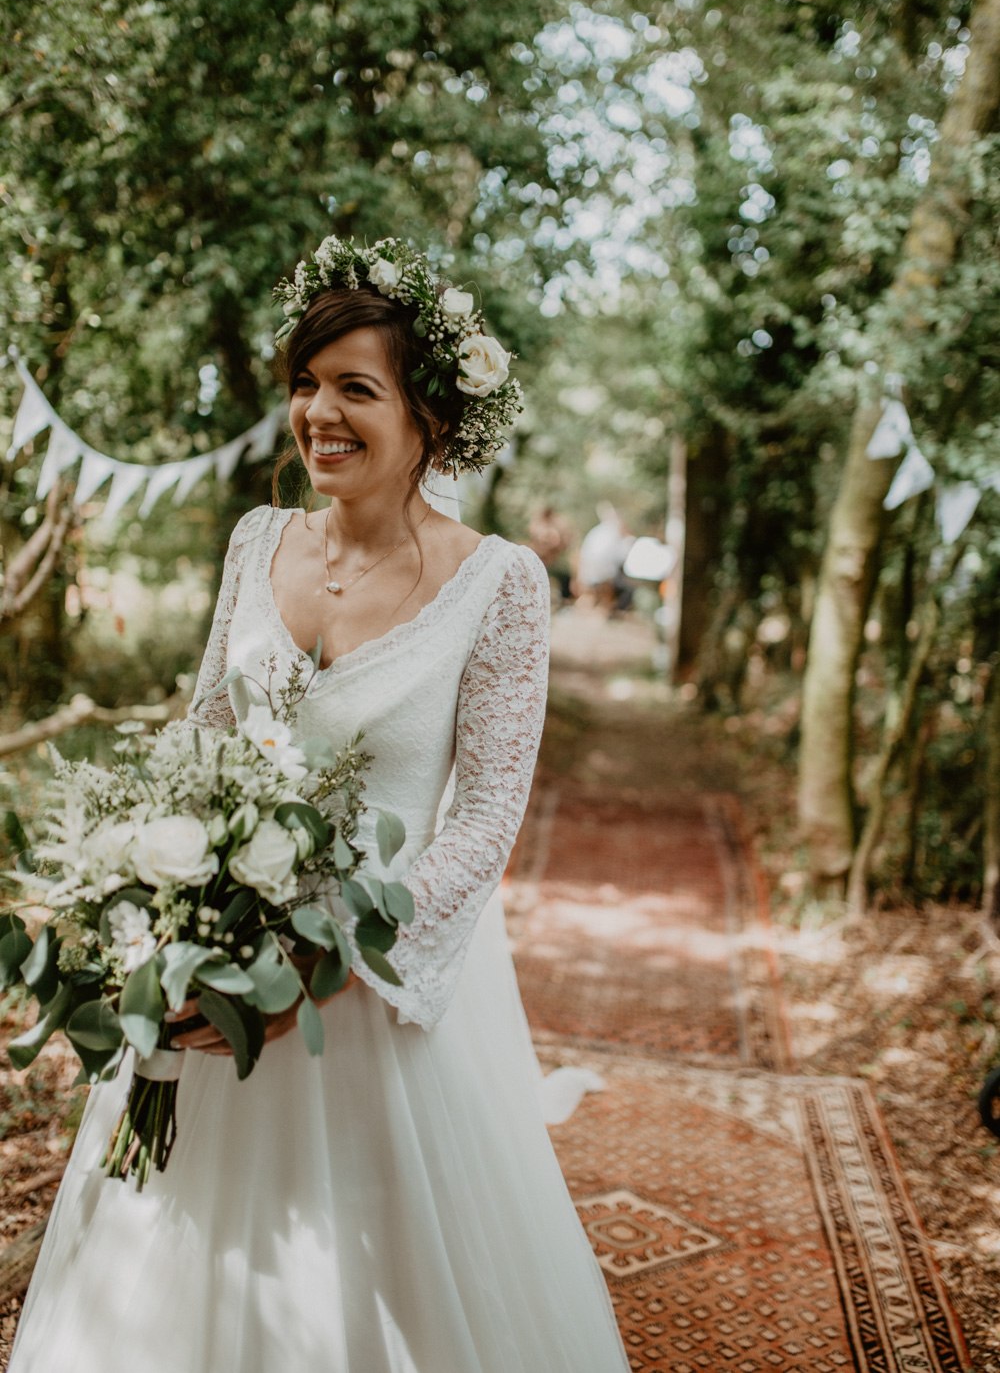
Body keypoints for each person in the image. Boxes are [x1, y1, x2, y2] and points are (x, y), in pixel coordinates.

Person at [8, 237, 629, 1373]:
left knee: (376, 1284)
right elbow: (198, 740)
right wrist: (155, 905)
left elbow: (486, 817)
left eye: (355, 388)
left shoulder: (498, 585)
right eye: (305, 382)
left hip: (374, 996)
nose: (317, 413)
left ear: (428, 417)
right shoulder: (258, 542)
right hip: (209, 978)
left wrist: (318, 959)